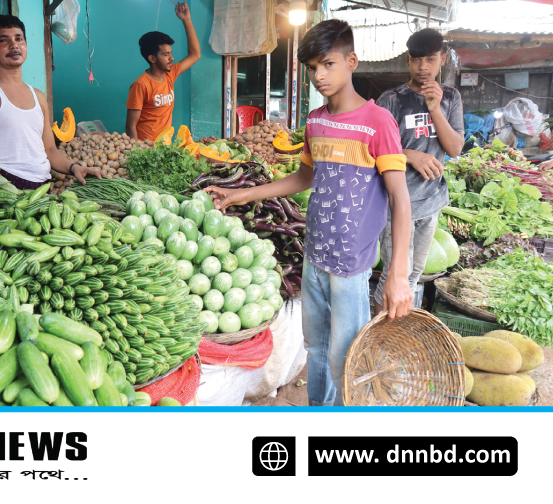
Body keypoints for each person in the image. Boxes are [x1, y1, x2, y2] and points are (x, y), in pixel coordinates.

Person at [205, 19, 413, 407]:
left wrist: (398, 274)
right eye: (312, 68)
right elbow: (303, 178)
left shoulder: (377, 122)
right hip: (315, 256)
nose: (318, 75)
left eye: (328, 64)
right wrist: (241, 195)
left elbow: (401, 200)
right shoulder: (316, 122)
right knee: (315, 349)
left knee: (344, 357)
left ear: (351, 61)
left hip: (351, 266)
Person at [373, 29, 464, 314]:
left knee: (414, 273)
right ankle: (380, 336)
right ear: (408, 61)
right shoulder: (392, 99)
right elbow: (371, 150)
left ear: (442, 59)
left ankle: (400, 328)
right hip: (396, 203)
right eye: (416, 60)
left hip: (431, 201)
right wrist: (409, 155)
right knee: (393, 274)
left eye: (430, 59)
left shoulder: (450, 97)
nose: (423, 67)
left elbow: (455, 148)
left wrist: (435, 109)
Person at [0, 15, 102, 190]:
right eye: (4, 40)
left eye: (19, 39)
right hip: (4, 182)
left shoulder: (38, 96)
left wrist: (74, 168)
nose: (14, 45)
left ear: (26, 45)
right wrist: (4, 189)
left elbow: (50, 150)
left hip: (42, 186)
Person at [125, 2, 200, 141]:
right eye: (165, 54)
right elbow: (130, 126)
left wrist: (186, 20)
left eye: (170, 53)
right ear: (152, 58)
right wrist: (137, 154)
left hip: (163, 148)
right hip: (146, 149)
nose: (171, 58)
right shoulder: (141, 85)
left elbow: (195, 55)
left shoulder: (170, 74)